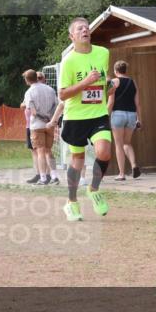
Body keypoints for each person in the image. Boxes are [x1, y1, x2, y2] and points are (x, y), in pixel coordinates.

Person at [47, 17, 112, 221]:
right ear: (72, 36)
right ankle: (71, 202)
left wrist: (111, 87)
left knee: (104, 151)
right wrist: (85, 82)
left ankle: (93, 189)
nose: (85, 29)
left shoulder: (103, 53)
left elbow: (103, 83)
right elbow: (63, 94)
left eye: (87, 27)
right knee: (78, 160)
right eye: (79, 28)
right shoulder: (69, 61)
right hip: (75, 117)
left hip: (98, 114)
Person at [22, 68, 59, 185]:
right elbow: (56, 106)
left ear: (27, 80)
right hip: (50, 124)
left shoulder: (29, 92)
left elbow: (32, 111)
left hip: (37, 125)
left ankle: (43, 178)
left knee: (40, 151)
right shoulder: (50, 89)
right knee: (49, 151)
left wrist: (43, 118)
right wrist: (50, 119)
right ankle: (54, 176)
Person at [107, 60, 143, 181]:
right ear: (125, 70)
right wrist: (140, 119)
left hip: (118, 114)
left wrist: (106, 117)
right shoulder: (133, 82)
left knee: (118, 144)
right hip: (132, 115)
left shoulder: (113, 82)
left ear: (115, 71)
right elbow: (137, 103)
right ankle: (134, 165)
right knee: (127, 143)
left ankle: (121, 174)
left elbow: (111, 102)